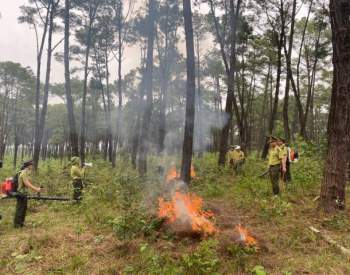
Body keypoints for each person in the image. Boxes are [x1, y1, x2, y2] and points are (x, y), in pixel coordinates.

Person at [14, 160, 42, 228]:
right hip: (21, 193)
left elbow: (27, 184)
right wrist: (36, 189)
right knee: (20, 209)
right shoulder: (23, 173)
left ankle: (21, 223)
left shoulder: (25, 172)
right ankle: (17, 225)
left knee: (23, 208)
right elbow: (27, 184)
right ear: (29, 165)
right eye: (31, 165)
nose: (32, 166)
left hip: (23, 193)